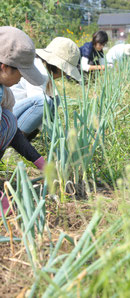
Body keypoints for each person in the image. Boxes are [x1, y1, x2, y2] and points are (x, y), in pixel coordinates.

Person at [0, 26, 46, 216]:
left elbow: (13, 133)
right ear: (4, 67)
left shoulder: (5, 93)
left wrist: (41, 163)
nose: (21, 80)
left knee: (9, 119)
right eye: (20, 73)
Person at [11, 37, 81, 140]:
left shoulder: (44, 69)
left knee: (54, 99)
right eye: (65, 71)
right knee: (44, 102)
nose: (65, 74)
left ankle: (23, 139)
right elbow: (40, 106)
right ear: (58, 66)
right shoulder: (39, 71)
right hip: (6, 117)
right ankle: (13, 143)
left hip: (16, 114)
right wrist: (58, 137)